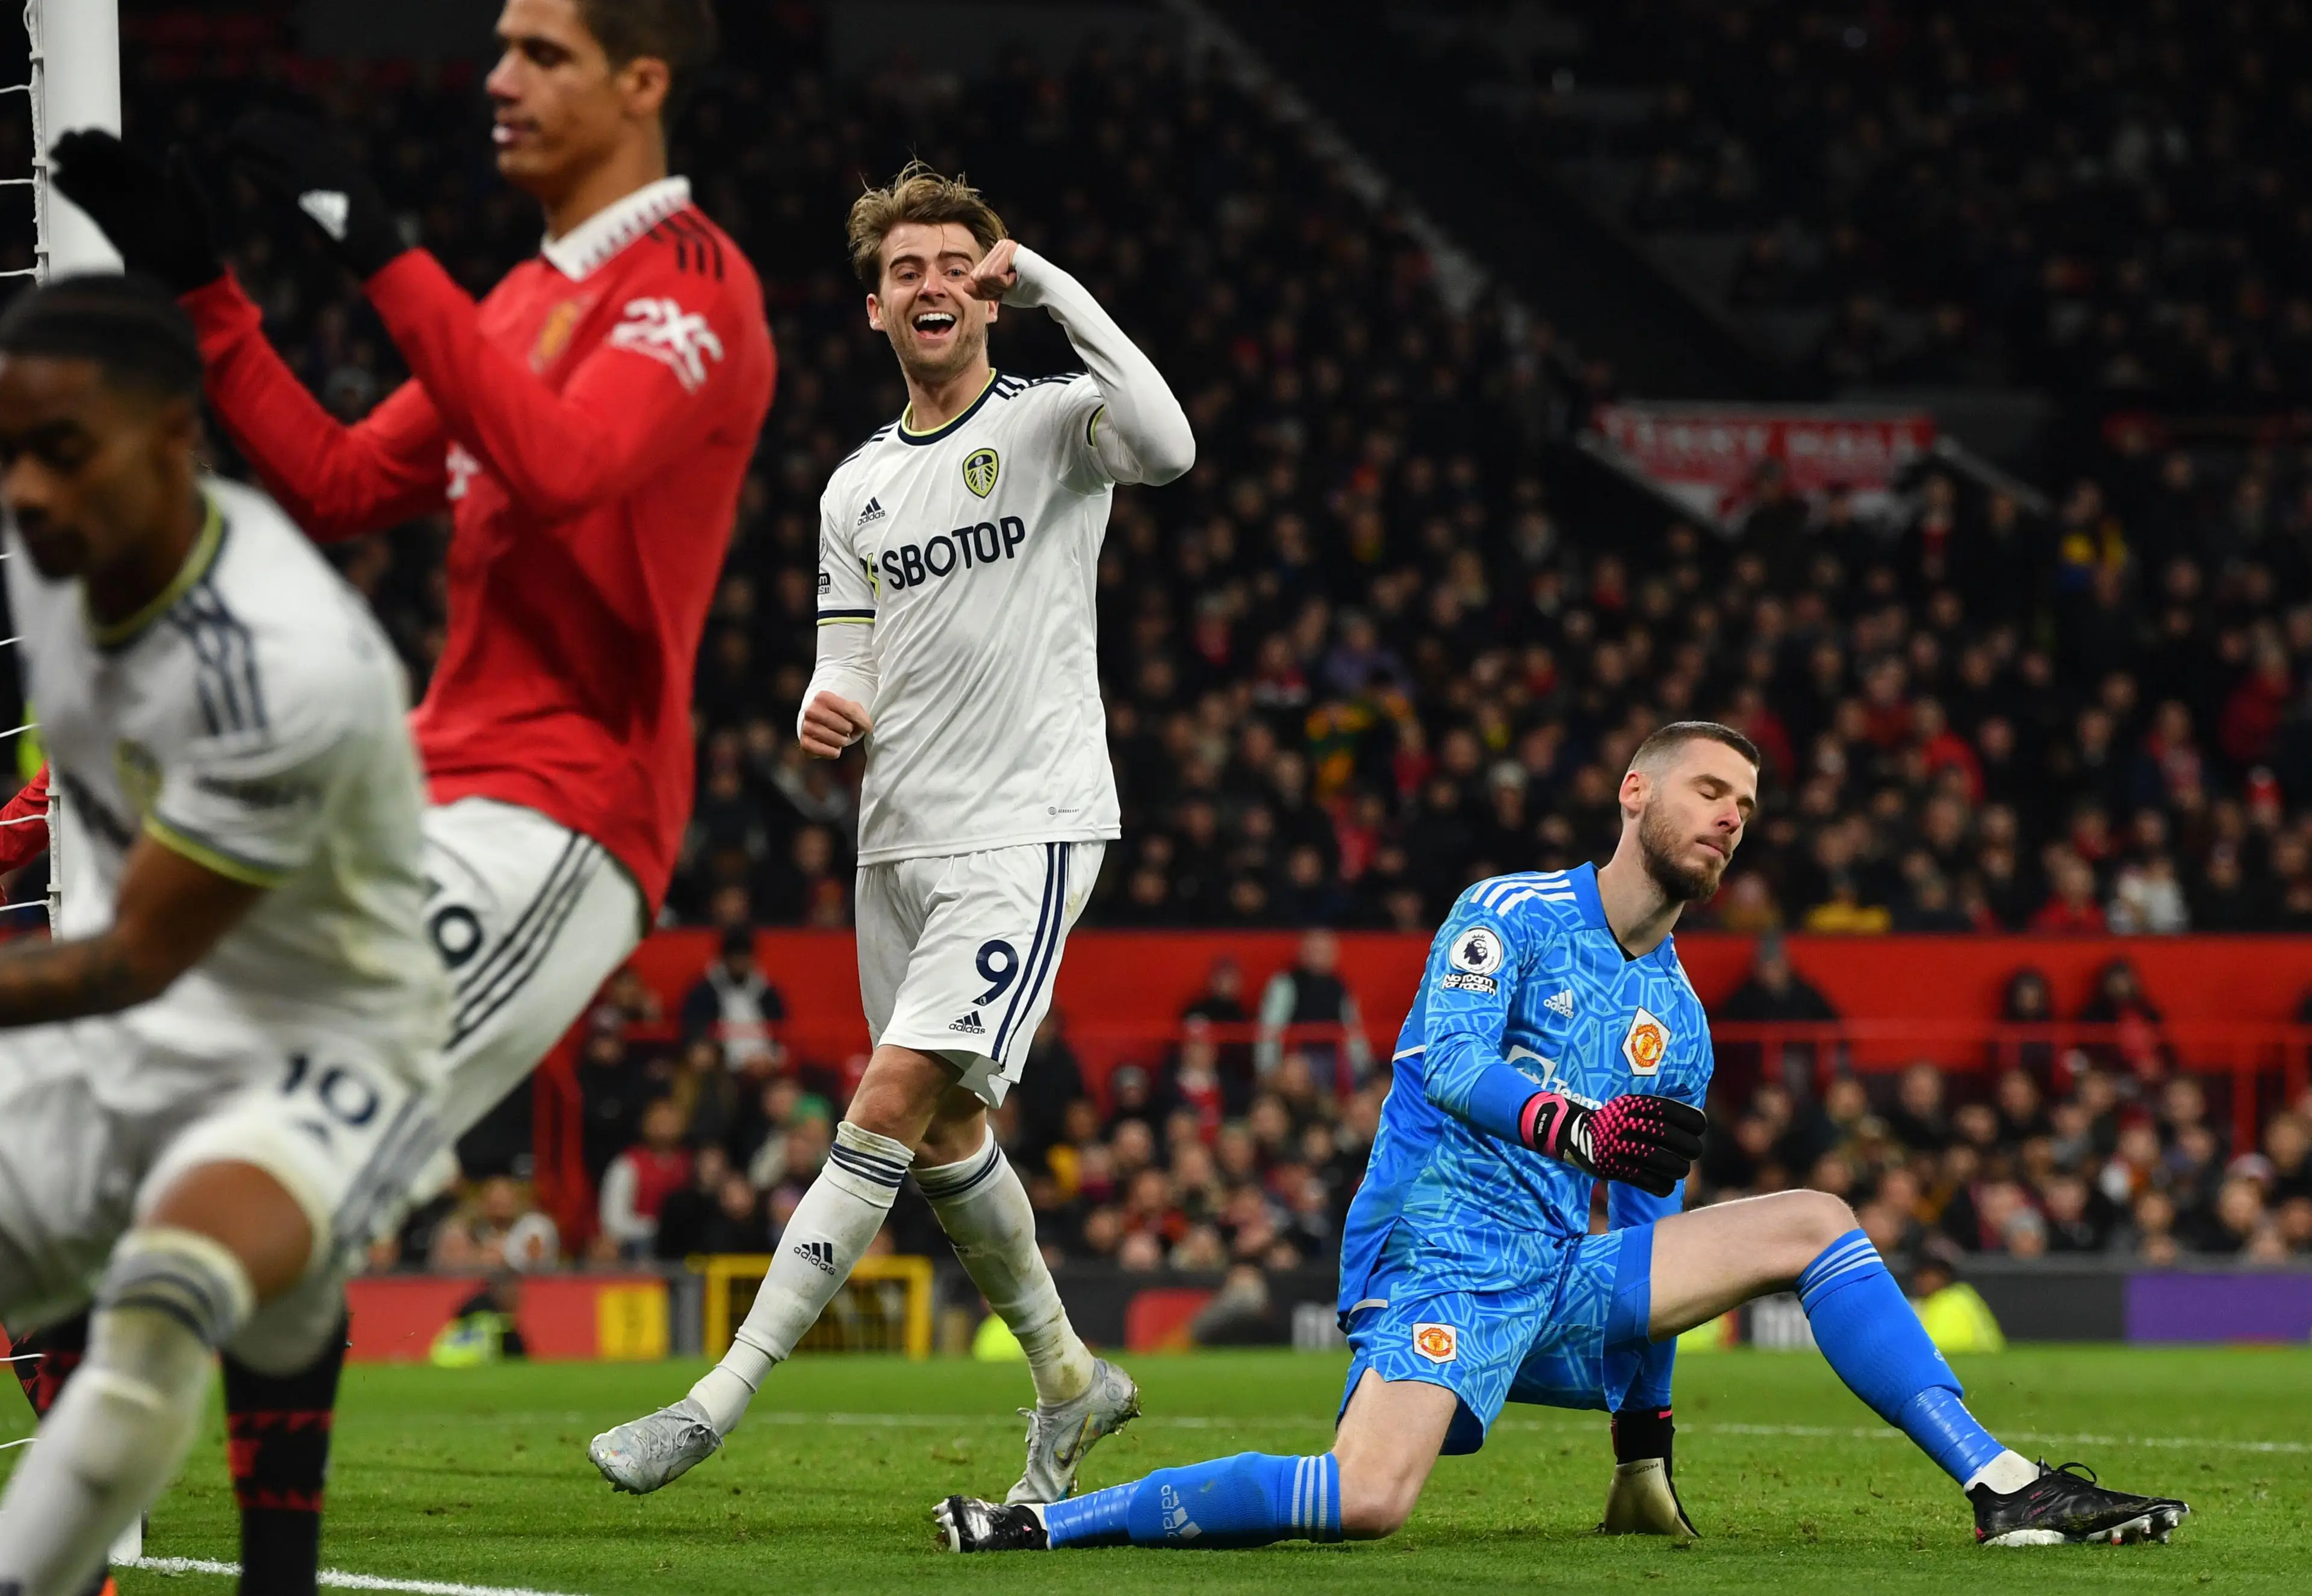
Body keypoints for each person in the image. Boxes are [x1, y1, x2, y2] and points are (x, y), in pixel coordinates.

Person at [45, 3, 771, 1583]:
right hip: (425, 796)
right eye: (497, 46)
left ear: (643, 83)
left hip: (567, 822)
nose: (497, 79)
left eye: (542, 52)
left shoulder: (697, 291)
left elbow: (569, 464)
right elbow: (338, 479)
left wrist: (374, 245)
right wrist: (204, 290)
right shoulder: (515, 295)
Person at [934, 722, 2189, 1554]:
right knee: (1368, 1497)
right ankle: (1045, 1523)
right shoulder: (1509, 910)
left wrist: (1643, 1446)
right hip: (1440, 1251)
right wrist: (1582, 1122)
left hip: (1555, 1275)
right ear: (1636, 791)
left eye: (1747, 804)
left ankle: (2001, 1483)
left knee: (1816, 1216)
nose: (1731, 817)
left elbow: (1645, 1227)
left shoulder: (1683, 1015)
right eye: (1710, 788)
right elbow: (1450, 1062)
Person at [591, 161, 1193, 1503]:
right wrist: (827, 702)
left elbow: (1171, 446)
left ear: (988, 287)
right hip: (894, 840)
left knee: (882, 1099)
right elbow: (844, 654)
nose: (932, 285)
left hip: (1023, 827)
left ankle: (713, 1398)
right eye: (905, 270)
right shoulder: (856, 486)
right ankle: (1070, 1378)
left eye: (955, 266)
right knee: (938, 1138)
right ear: (874, 308)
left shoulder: (1054, 423)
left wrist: (1047, 282)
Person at [0, 274, 449, 1596]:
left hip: (329, 1037)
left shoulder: (280, 658)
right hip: (156, 1004)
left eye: (61, 451)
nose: (25, 489)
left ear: (172, 440)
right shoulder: (69, 559)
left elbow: (136, 952)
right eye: (8, 448)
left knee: (169, 1293)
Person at [680, 925, 787, 1073]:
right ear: (724, 958)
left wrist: (769, 1057)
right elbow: (693, 1031)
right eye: (735, 957)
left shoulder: (767, 992)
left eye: (744, 957)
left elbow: (782, 1033)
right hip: (720, 1066)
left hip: (764, 1064)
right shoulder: (705, 992)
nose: (740, 963)